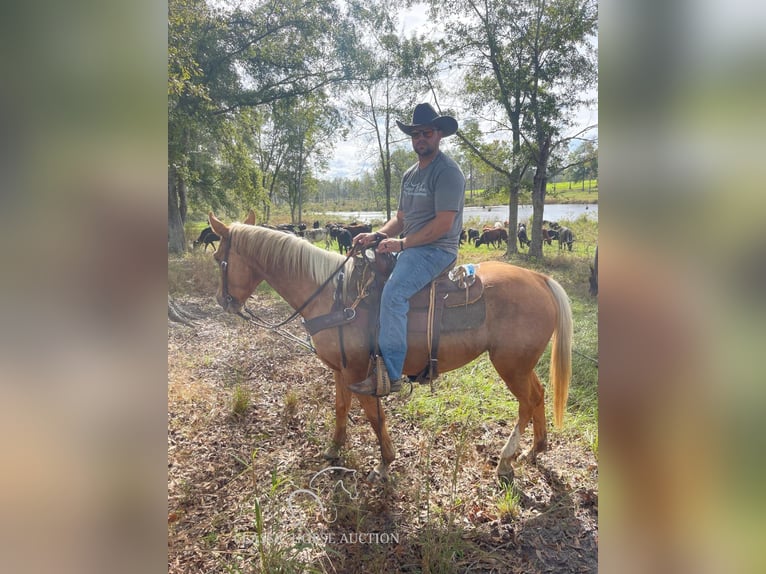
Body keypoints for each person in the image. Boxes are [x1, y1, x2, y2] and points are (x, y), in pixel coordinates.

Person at [349, 103, 465, 396]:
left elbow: (442, 225)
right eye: (415, 134)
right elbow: (401, 219)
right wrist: (376, 235)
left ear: (438, 134)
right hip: (413, 247)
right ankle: (369, 349)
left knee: (394, 294)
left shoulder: (448, 172)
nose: (420, 138)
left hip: (437, 250)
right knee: (367, 280)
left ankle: (390, 376)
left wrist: (402, 244)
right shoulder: (409, 174)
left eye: (426, 132)